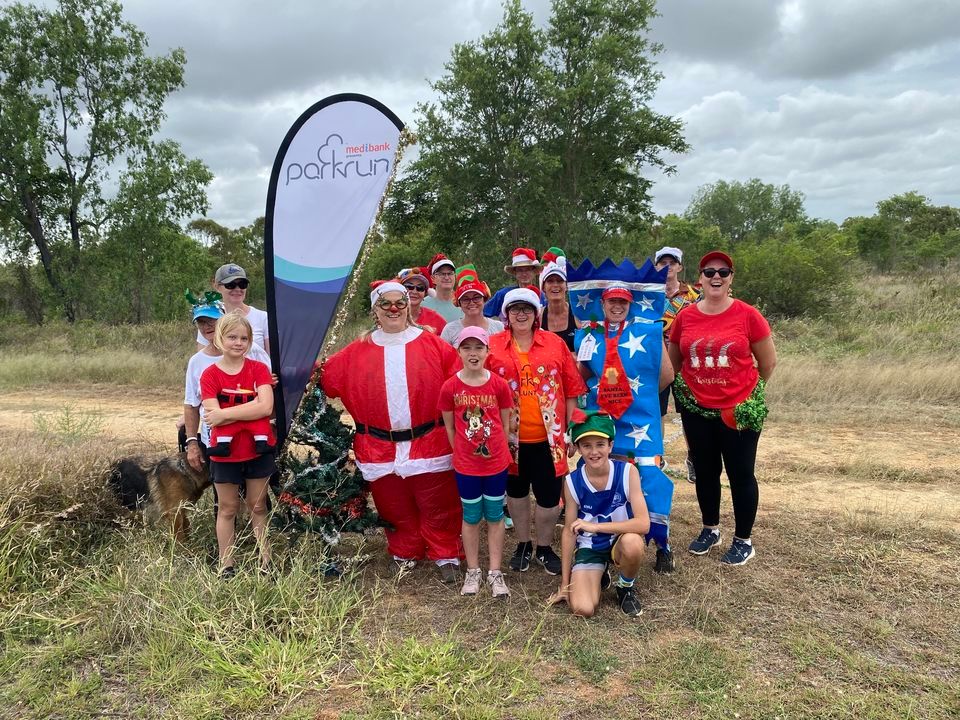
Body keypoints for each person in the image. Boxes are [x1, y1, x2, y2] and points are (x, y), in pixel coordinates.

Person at [321, 281, 463, 582]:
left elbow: (459, 383)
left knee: (436, 500)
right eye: (386, 303)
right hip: (378, 446)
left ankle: (445, 552)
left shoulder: (433, 344)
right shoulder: (356, 350)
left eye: (400, 301)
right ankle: (405, 550)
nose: (395, 308)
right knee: (393, 503)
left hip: (429, 441)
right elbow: (325, 377)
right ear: (375, 309)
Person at [668, 250, 778, 567]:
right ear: (699, 278)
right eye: (709, 271)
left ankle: (743, 540)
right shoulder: (685, 317)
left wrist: (747, 395)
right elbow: (674, 363)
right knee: (705, 471)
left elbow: (767, 363)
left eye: (723, 272)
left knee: (741, 474)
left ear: (731, 278)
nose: (716, 276)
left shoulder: (747, 315)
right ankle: (710, 528)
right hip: (697, 409)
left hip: (737, 410)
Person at [486, 286, 587, 575]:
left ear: (536, 314)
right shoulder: (492, 345)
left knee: (548, 495)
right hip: (509, 438)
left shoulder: (554, 344)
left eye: (527, 309)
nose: (521, 314)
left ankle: (544, 546)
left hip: (549, 437)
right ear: (506, 314)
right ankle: (523, 543)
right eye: (515, 309)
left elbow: (571, 390)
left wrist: (571, 431)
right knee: (516, 494)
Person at [548, 411, 650, 617]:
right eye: (586, 446)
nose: (594, 452)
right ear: (577, 448)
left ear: (611, 445)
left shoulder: (628, 472)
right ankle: (598, 572)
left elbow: (643, 524)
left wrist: (596, 527)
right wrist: (565, 584)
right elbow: (569, 532)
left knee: (633, 544)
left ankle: (625, 587)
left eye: (600, 444)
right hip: (590, 546)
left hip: (620, 540)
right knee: (582, 609)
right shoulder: (571, 482)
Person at [439, 326, 513, 598]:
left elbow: (504, 424)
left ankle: (495, 571)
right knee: (471, 516)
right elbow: (450, 427)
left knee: (495, 516)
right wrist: (460, 453)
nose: (473, 353)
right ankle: (473, 571)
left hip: (495, 464)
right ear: (458, 351)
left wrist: (499, 452)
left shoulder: (498, 385)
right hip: (466, 467)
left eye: (478, 347)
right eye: (467, 348)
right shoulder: (450, 387)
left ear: (487, 351)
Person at [200, 312, 275, 578]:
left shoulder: (259, 369)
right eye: (232, 337)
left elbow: (266, 406)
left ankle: (266, 561)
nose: (238, 342)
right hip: (225, 454)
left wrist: (227, 414)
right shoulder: (209, 375)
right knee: (228, 507)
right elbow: (211, 413)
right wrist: (250, 408)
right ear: (220, 338)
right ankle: (226, 564)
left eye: (244, 338)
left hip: (257, 450)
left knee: (258, 505)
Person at [183, 293, 272, 474]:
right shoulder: (197, 362)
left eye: (212, 320)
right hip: (218, 443)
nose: (207, 326)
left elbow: (268, 392)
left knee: (257, 500)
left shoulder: (250, 350)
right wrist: (192, 441)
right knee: (225, 500)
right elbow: (192, 405)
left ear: (223, 319)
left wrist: (223, 415)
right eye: (201, 322)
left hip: (254, 440)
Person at [654, 246, 701, 483]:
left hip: (685, 361)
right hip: (657, 359)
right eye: (662, 263)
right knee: (657, 411)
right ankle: (657, 457)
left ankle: (694, 457)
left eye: (672, 263)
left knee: (689, 411)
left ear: (680, 267)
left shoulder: (693, 296)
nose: (667, 267)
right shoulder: (650, 294)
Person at [197, 263, 270, 352]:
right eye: (230, 285)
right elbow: (203, 357)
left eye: (242, 284)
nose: (237, 289)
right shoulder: (209, 317)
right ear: (217, 286)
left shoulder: (263, 318)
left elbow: (271, 359)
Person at [440, 265, 504, 345]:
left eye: (476, 297)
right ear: (459, 303)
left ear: (484, 299)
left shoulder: (499, 327)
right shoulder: (450, 330)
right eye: (466, 299)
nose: (471, 302)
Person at [484, 248, 541, 318]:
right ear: (515, 272)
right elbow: (483, 314)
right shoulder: (503, 295)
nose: (524, 274)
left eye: (528, 269)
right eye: (520, 270)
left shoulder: (543, 297)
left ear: (534, 271)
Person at [539, 247, 577, 352]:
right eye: (550, 281)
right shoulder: (537, 317)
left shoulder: (578, 315)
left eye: (560, 281)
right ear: (543, 287)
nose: (555, 285)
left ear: (566, 286)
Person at [398, 267, 447, 335]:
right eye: (409, 286)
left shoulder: (436, 319)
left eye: (420, 288)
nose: (414, 291)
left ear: (425, 293)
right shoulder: (390, 316)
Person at [421, 253, 463, 323]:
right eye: (442, 274)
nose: (446, 277)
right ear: (432, 278)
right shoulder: (422, 304)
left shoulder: (465, 302)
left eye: (450, 273)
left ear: (455, 276)